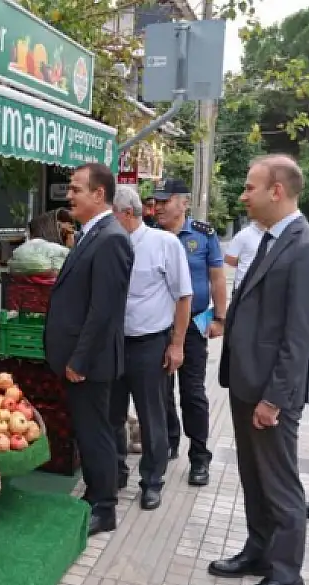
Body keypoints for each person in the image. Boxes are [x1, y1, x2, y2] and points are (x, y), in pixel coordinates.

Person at [210, 155, 309, 585]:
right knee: (254, 477)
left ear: (276, 191)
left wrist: (275, 399)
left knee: (280, 483)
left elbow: (301, 336)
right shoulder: (268, 240)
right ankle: (258, 550)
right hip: (249, 384)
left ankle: (286, 577)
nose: (243, 195)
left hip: (271, 393)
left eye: (249, 187)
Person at [43, 163, 134, 536]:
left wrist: (79, 359)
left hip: (90, 362)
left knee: (96, 432)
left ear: (99, 195)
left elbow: (105, 310)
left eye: (77, 189)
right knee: (87, 430)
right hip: (79, 358)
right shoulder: (89, 234)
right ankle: (95, 494)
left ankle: (104, 507)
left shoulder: (111, 238)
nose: (69, 195)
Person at [109, 186, 192, 510]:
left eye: (111, 215)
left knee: (151, 414)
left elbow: (184, 297)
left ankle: (152, 481)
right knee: (112, 413)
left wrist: (177, 345)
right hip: (113, 344)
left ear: (127, 214)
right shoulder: (108, 245)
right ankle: (116, 472)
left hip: (149, 344)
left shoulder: (164, 244)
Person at [154, 179, 228, 486]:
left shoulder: (202, 234)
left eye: (164, 201)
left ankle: (199, 457)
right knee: (160, 391)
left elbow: (217, 278)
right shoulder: (148, 234)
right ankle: (168, 442)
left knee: (192, 393)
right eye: (155, 202)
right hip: (156, 326)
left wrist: (220, 318)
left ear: (183, 203)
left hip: (195, 324)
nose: (157, 207)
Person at [225, 220, 263, 293]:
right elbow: (229, 258)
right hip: (243, 285)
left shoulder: (275, 234)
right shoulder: (244, 235)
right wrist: (245, 264)